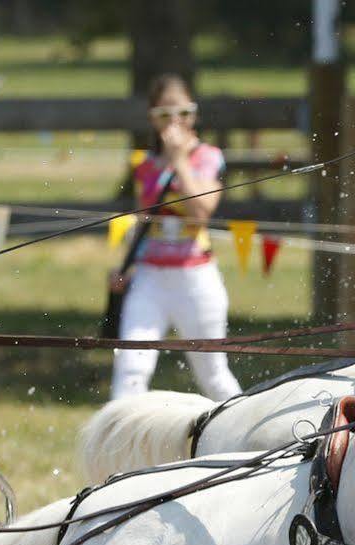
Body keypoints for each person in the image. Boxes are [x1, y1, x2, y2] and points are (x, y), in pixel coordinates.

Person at [107, 75, 238, 401]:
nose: (175, 122)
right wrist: (126, 266)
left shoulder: (208, 157)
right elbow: (142, 222)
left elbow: (201, 212)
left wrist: (179, 160)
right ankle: (119, 448)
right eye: (165, 115)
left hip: (195, 277)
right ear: (152, 118)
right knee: (130, 370)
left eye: (183, 113)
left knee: (213, 375)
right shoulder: (145, 165)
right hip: (150, 277)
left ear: (194, 115)